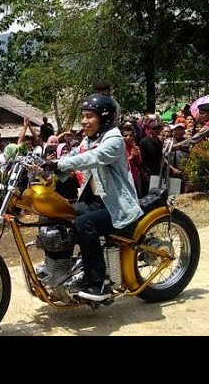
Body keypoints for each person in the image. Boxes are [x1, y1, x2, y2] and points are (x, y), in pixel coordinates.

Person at [43, 93, 143, 302]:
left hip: (116, 205)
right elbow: (74, 156)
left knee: (84, 224)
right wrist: (45, 164)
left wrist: (61, 165)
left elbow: (94, 157)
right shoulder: (90, 140)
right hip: (94, 202)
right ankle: (60, 267)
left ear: (104, 118)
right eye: (83, 116)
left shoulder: (114, 139)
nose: (83, 121)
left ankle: (99, 282)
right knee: (55, 215)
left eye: (89, 116)